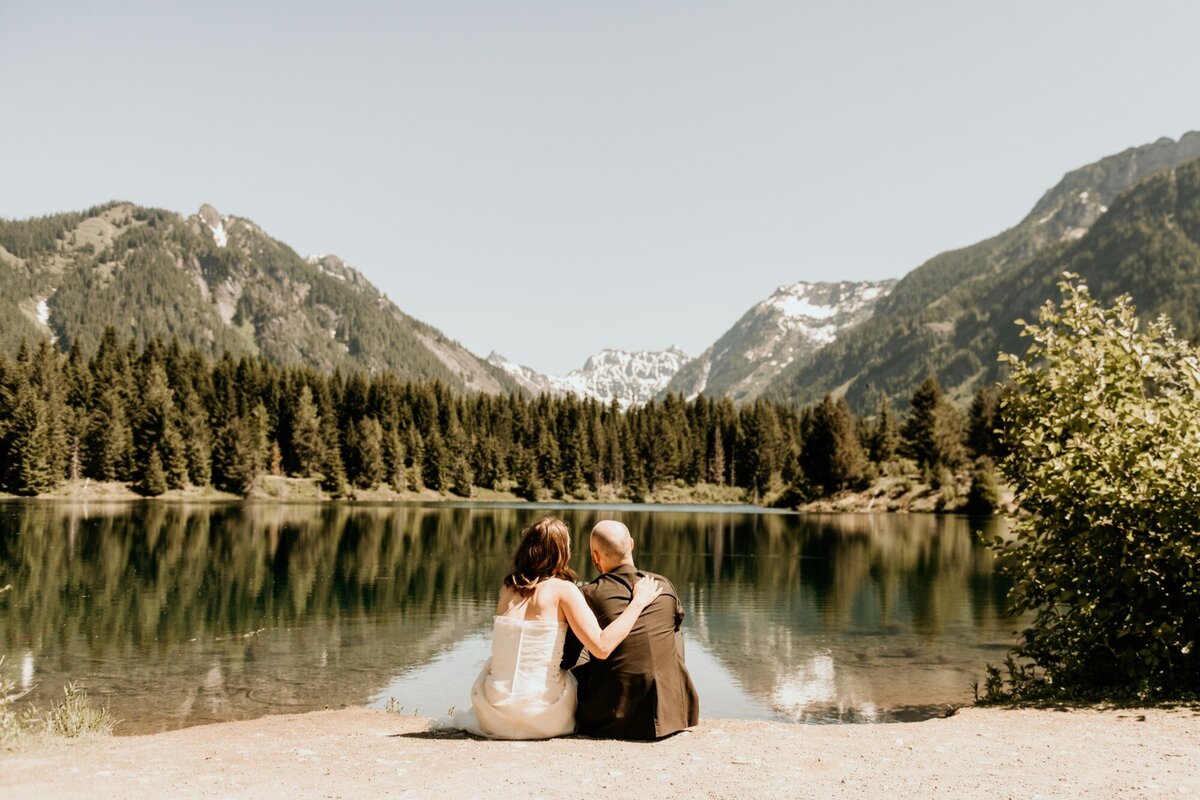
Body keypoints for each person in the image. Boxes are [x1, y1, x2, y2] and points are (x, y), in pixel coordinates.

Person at [462, 516, 661, 739]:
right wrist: (638, 603)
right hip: (542, 718)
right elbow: (602, 647)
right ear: (563, 552)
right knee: (584, 660)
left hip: (493, 714)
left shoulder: (507, 589)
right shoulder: (564, 590)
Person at [563, 519, 700, 740]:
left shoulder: (588, 594)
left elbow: (567, 660)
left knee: (582, 646)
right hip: (671, 716)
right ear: (632, 545)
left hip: (614, 718)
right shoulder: (663, 585)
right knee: (674, 629)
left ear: (595, 556)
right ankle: (672, 694)